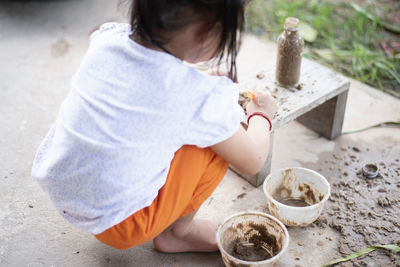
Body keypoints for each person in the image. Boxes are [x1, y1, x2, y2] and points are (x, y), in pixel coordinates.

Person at [31, 0, 278, 253]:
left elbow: (147, 90)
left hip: (66, 193)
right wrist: (261, 116)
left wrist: (198, 85)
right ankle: (179, 233)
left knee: (199, 124)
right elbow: (253, 160)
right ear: (205, 30)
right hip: (121, 224)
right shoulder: (197, 99)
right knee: (220, 136)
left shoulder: (107, 39)